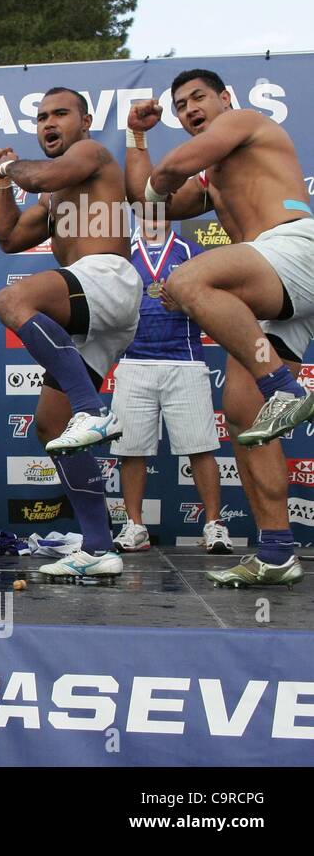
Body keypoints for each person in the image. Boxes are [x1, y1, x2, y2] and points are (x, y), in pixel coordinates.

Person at [127, 68, 311, 587]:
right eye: (181, 105)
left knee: (186, 283)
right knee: (244, 419)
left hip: (295, 247)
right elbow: (147, 203)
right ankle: (277, 551)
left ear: (224, 98)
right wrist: (137, 138)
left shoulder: (245, 121)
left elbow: (169, 175)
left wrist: (160, 177)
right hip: (272, 280)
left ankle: (285, 386)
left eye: (198, 98)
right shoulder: (213, 180)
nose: (189, 110)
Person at [0, 87, 139, 579]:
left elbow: (42, 173)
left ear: (85, 120)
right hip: (91, 306)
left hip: (106, 278)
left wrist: (13, 168)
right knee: (53, 428)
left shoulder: (91, 153)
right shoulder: (55, 192)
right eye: (41, 117)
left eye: (59, 114)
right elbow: (10, 239)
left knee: (12, 300)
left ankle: (94, 411)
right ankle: (98, 547)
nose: (48, 123)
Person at [109, 213, 230, 553]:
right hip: (134, 362)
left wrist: (189, 302)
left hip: (185, 361)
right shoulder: (120, 252)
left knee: (201, 447)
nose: (152, 216)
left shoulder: (191, 252)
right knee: (131, 450)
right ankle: (134, 526)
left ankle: (214, 525)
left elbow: (215, 303)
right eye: (144, 209)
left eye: (159, 209)